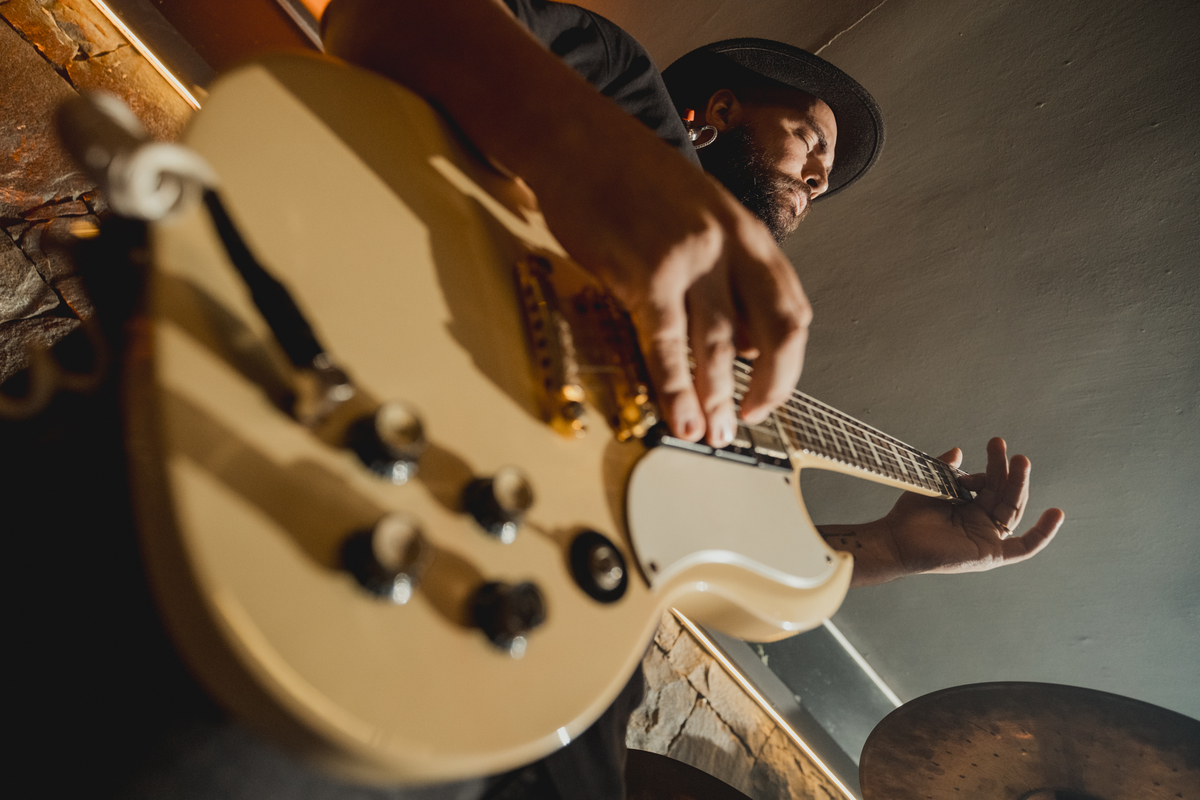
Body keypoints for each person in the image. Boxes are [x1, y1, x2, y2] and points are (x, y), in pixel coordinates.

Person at [313, 2, 1067, 798]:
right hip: (356, 427)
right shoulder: (625, 91)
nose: (817, 177)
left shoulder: (726, 368)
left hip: (543, 674)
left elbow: (701, 553)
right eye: (811, 140)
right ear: (717, 111)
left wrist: (895, 549)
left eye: (823, 178)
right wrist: (591, 158)